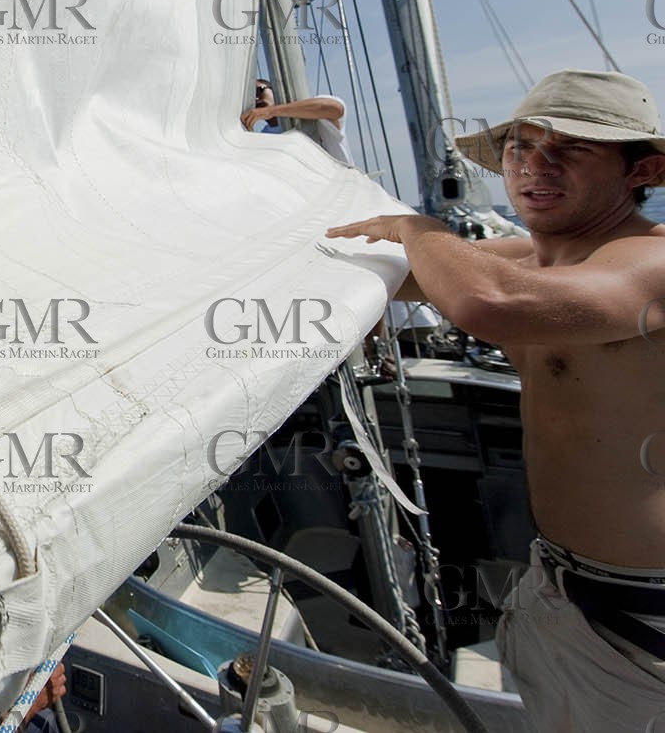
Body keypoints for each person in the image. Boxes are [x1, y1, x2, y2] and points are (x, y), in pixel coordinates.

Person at [327, 69, 665, 729]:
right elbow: (363, 260)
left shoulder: (651, 261)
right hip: (563, 590)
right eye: (521, 147)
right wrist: (306, 148)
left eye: (571, 148)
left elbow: (490, 303)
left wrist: (416, 228)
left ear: (641, 170)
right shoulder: (536, 259)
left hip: (642, 622)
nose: (536, 166)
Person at [242, 79, 354, 166]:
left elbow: (335, 109)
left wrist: (271, 111)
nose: (256, 99)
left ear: (274, 89)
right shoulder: (262, 138)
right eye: (251, 98)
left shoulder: (317, 109)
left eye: (258, 91)